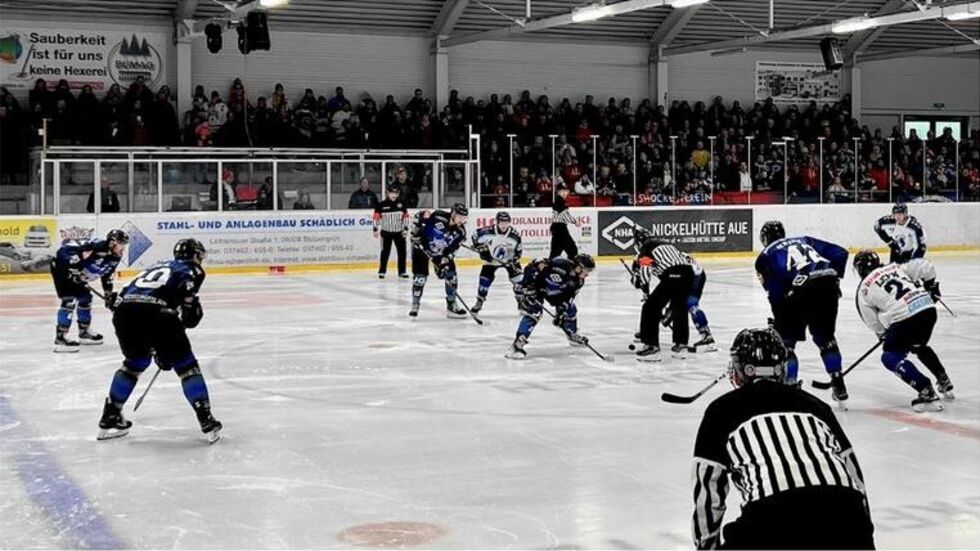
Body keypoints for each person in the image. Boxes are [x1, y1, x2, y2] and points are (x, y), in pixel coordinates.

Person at [691, 327, 875, 550]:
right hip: (848, 515)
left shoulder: (721, 410)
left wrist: (706, 546)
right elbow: (853, 472)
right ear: (782, 368)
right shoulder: (816, 405)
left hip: (772, 519)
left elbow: (708, 489)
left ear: (740, 368)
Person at [96, 239, 222, 443]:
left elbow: (121, 299)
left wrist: (158, 348)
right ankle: (206, 419)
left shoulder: (156, 266)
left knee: (134, 364)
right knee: (186, 366)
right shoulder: (192, 270)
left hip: (125, 314)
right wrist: (167, 344)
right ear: (196, 256)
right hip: (157, 313)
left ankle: (111, 415)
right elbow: (190, 316)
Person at [755, 220, 850, 406]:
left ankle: (790, 388)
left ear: (764, 238)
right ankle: (838, 382)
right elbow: (841, 253)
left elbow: (774, 292)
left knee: (787, 344)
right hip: (827, 287)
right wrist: (833, 277)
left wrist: (779, 317)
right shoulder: (805, 240)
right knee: (826, 339)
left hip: (799, 290)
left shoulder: (765, 256)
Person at [853, 250, 953, 411]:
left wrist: (884, 334)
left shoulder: (863, 289)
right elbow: (926, 266)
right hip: (928, 309)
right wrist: (931, 286)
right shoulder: (896, 267)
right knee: (918, 345)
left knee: (890, 356)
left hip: (905, 317)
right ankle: (944, 380)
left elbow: (873, 323)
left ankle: (926, 390)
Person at [50, 230, 128, 352]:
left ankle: (84, 332)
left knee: (86, 299)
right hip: (61, 269)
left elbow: (107, 275)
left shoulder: (116, 256)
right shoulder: (96, 247)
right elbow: (64, 254)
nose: (123, 247)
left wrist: (108, 294)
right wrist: (72, 271)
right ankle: (61, 338)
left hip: (76, 273)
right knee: (69, 300)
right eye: (121, 243)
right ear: (112, 242)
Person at [506, 254, 595, 359]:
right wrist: (528, 285)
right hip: (536, 289)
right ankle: (516, 345)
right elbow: (532, 266)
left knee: (570, 309)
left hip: (553, 293)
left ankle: (572, 334)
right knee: (535, 313)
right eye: (586, 270)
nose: (587, 274)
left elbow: (567, 299)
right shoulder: (560, 265)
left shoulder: (578, 282)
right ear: (579, 267)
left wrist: (561, 314)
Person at [629, 237, 695, 362]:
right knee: (680, 308)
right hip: (688, 274)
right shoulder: (667, 244)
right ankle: (681, 346)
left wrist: (646, 292)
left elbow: (645, 271)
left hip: (673, 274)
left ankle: (651, 347)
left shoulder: (646, 248)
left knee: (650, 307)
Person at [409, 203, 469, 318]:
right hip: (421, 249)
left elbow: (452, 252)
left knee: (451, 276)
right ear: (453, 214)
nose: (462, 220)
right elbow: (419, 217)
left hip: (439, 254)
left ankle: (452, 304)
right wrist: (415, 233)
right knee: (420, 278)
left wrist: (443, 263)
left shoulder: (460, 233)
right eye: (460, 216)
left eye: (464, 217)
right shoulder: (438, 216)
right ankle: (415, 304)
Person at [470, 211, 523, 314]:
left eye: (506, 222)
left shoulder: (514, 235)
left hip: (509, 260)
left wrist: (513, 260)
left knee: (519, 281)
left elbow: (519, 252)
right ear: (497, 222)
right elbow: (474, 236)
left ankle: (521, 302)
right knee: (484, 281)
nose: (504, 225)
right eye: (502, 222)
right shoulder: (487, 231)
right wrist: (481, 249)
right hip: (491, 261)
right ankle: (479, 301)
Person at [373, 185, 410, 279]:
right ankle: (382, 271)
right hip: (386, 232)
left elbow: (405, 217)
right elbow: (376, 217)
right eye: (392, 193)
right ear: (387, 193)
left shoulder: (401, 204)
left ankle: (402, 271)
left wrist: (405, 229)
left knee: (402, 252)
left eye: (396, 193)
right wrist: (375, 229)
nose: (394, 195)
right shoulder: (381, 205)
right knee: (385, 252)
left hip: (399, 232)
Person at [549, 184, 578, 258]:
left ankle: (551, 266)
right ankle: (572, 267)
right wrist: (575, 221)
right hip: (560, 229)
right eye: (562, 191)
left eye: (566, 191)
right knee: (573, 250)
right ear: (558, 192)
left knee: (555, 252)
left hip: (557, 228)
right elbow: (564, 214)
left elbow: (558, 216)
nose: (565, 193)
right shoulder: (560, 201)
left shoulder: (559, 201)